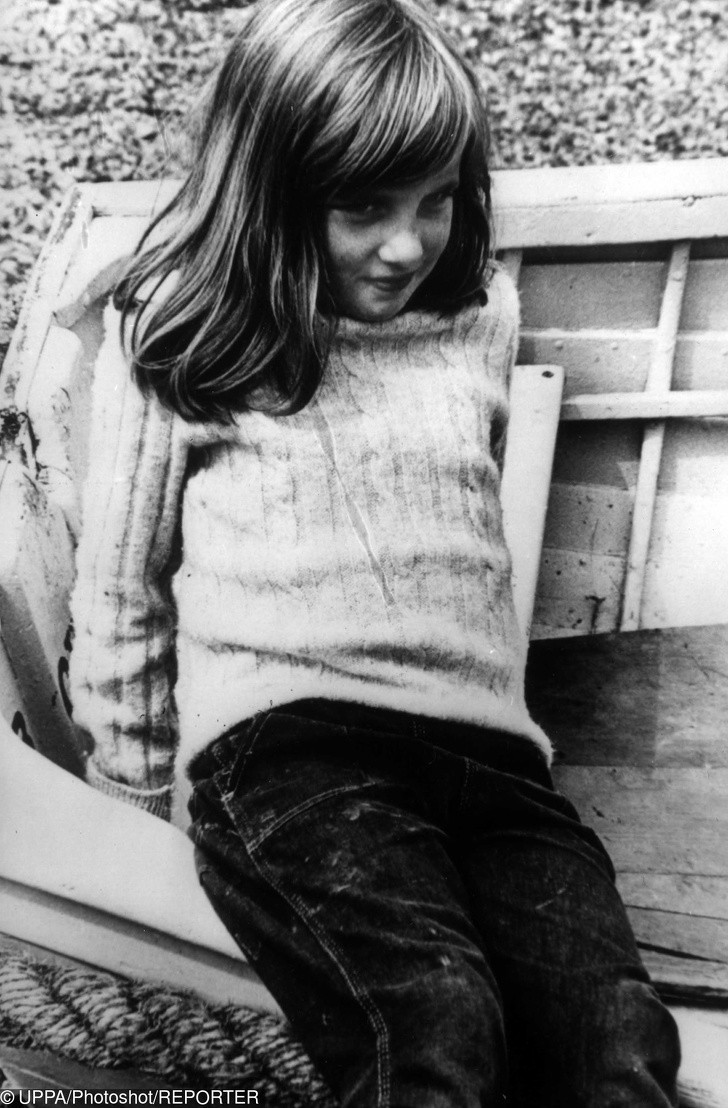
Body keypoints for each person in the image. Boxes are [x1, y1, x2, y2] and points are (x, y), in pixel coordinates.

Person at [70, 0, 681, 1103]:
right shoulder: (182, 334)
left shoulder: (475, 316)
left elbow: (460, 541)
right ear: (269, 190)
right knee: (438, 1023)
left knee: (618, 1039)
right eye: (363, 206)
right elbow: (123, 591)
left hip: (490, 763)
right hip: (292, 750)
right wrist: (133, 801)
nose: (407, 244)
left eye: (435, 200)